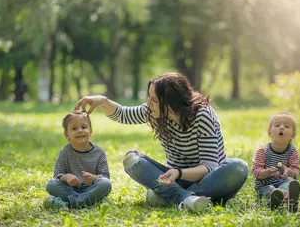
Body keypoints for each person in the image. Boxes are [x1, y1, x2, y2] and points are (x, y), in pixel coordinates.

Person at [75, 72, 249, 213]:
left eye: (154, 100)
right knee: (132, 160)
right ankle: (191, 199)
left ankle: (175, 197)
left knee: (238, 167)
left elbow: (210, 166)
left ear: (171, 103)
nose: (149, 104)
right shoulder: (155, 112)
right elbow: (123, 114)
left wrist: (178, 173)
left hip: (208, 178)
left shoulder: (203, 116)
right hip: (173, 179)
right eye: (149, 97)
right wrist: (102, 101)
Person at [43, 111, 111, 209]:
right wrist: (67, 177)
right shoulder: (65, 152)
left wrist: (93, 178)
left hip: (91, 189)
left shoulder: (99, 152)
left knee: (105, 184)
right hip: (70, 190)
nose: (80, 130)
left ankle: (68, 204)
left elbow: (105, 177)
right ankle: (92, 202)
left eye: (83, 127)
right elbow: (57, 175)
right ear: (67, 135)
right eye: (74, 128)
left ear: (91, 131)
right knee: (51, 184)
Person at [252, 112, 300, 213]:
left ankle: (284, 197)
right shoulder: (263, 151)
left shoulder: (292, 152)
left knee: (290, 181)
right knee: (270, 190)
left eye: (286, 126)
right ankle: (284, 199)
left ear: (293, 134)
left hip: (282, 182)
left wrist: (289, 171)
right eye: (277, 125)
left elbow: (296, 171)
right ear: (269, 131)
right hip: (265, 184)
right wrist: (268, 171)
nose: (281, 128)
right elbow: (256, 172)